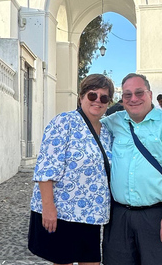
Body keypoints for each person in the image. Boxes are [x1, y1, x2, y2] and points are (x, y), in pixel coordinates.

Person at [102, 73, 162, 265]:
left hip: (157, 215)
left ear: (150, 94)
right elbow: (90, 124)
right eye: (127, 95)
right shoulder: (114, 121)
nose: (133, 99)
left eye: (139, 92)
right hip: (118, 217)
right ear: (122, 99)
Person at [28, 74, 115, 265]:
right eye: (93, 95)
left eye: (104, 97)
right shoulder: (64, 122)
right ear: (81, 96)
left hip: (91, 215)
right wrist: (48, 208)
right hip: (62, 212)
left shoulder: (108, 131)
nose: (98, 101)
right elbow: (46, 168)